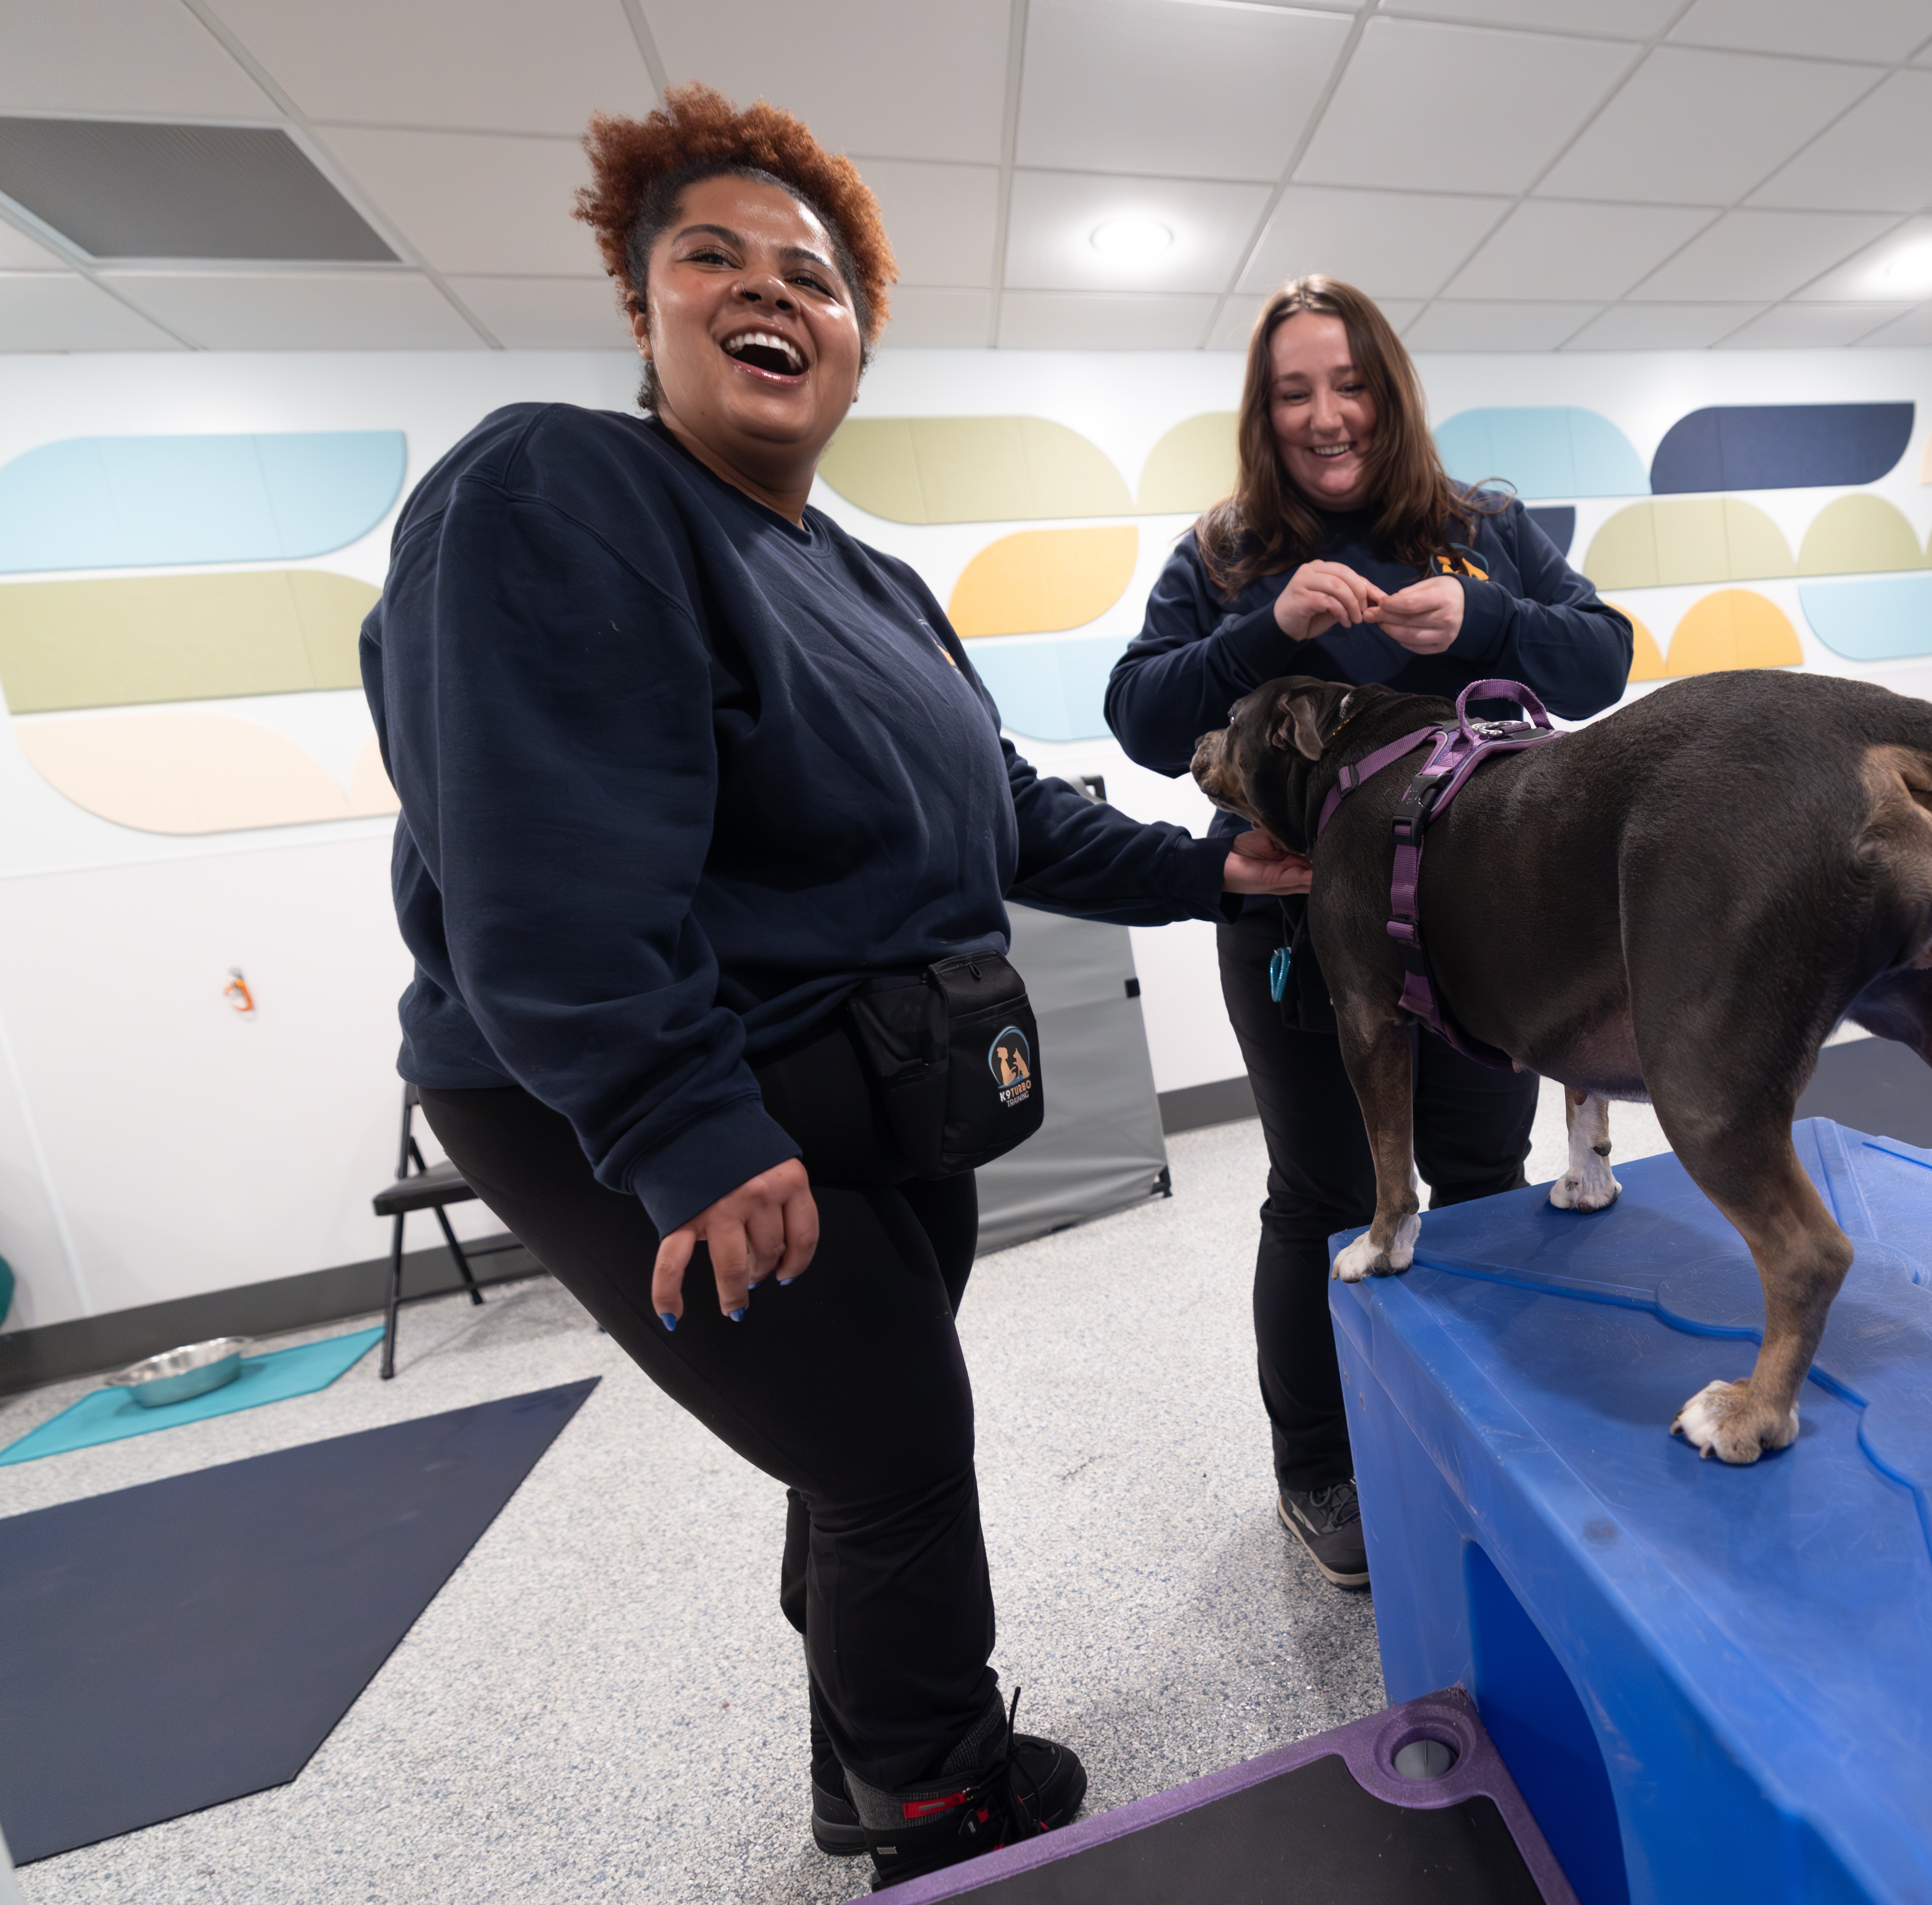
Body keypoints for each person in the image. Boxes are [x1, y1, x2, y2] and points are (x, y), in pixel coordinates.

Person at [360, 86, 1310, 1887]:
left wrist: (1211, 871)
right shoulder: (558, 489)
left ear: (858, 341)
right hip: (653, 1082)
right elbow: (534, 871)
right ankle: (943, 1806)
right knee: (890, 1450)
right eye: (704, 256)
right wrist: (682, 1126)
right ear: (643, 314)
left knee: (854, 1442)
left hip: (883, 1065)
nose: (758, 288)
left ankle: (854, 1764)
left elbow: (998, 809)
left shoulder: (862, 577)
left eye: (808, 269)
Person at [1106, 277, 1633, 1589]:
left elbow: (1606, 658)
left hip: (1483, 941)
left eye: (1351, 385)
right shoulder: (1225, 555)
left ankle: (1496, 1432)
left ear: (1389, 395)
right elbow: (1138, 715)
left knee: (1479, 1174)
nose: (1327, 416)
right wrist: (1260, 633)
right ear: (1264, 411)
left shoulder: (1487, 531)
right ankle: (1321, 1471)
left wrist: (1493, 620)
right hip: (1301, 942)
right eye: (1295, 392)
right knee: (1326, 1197)